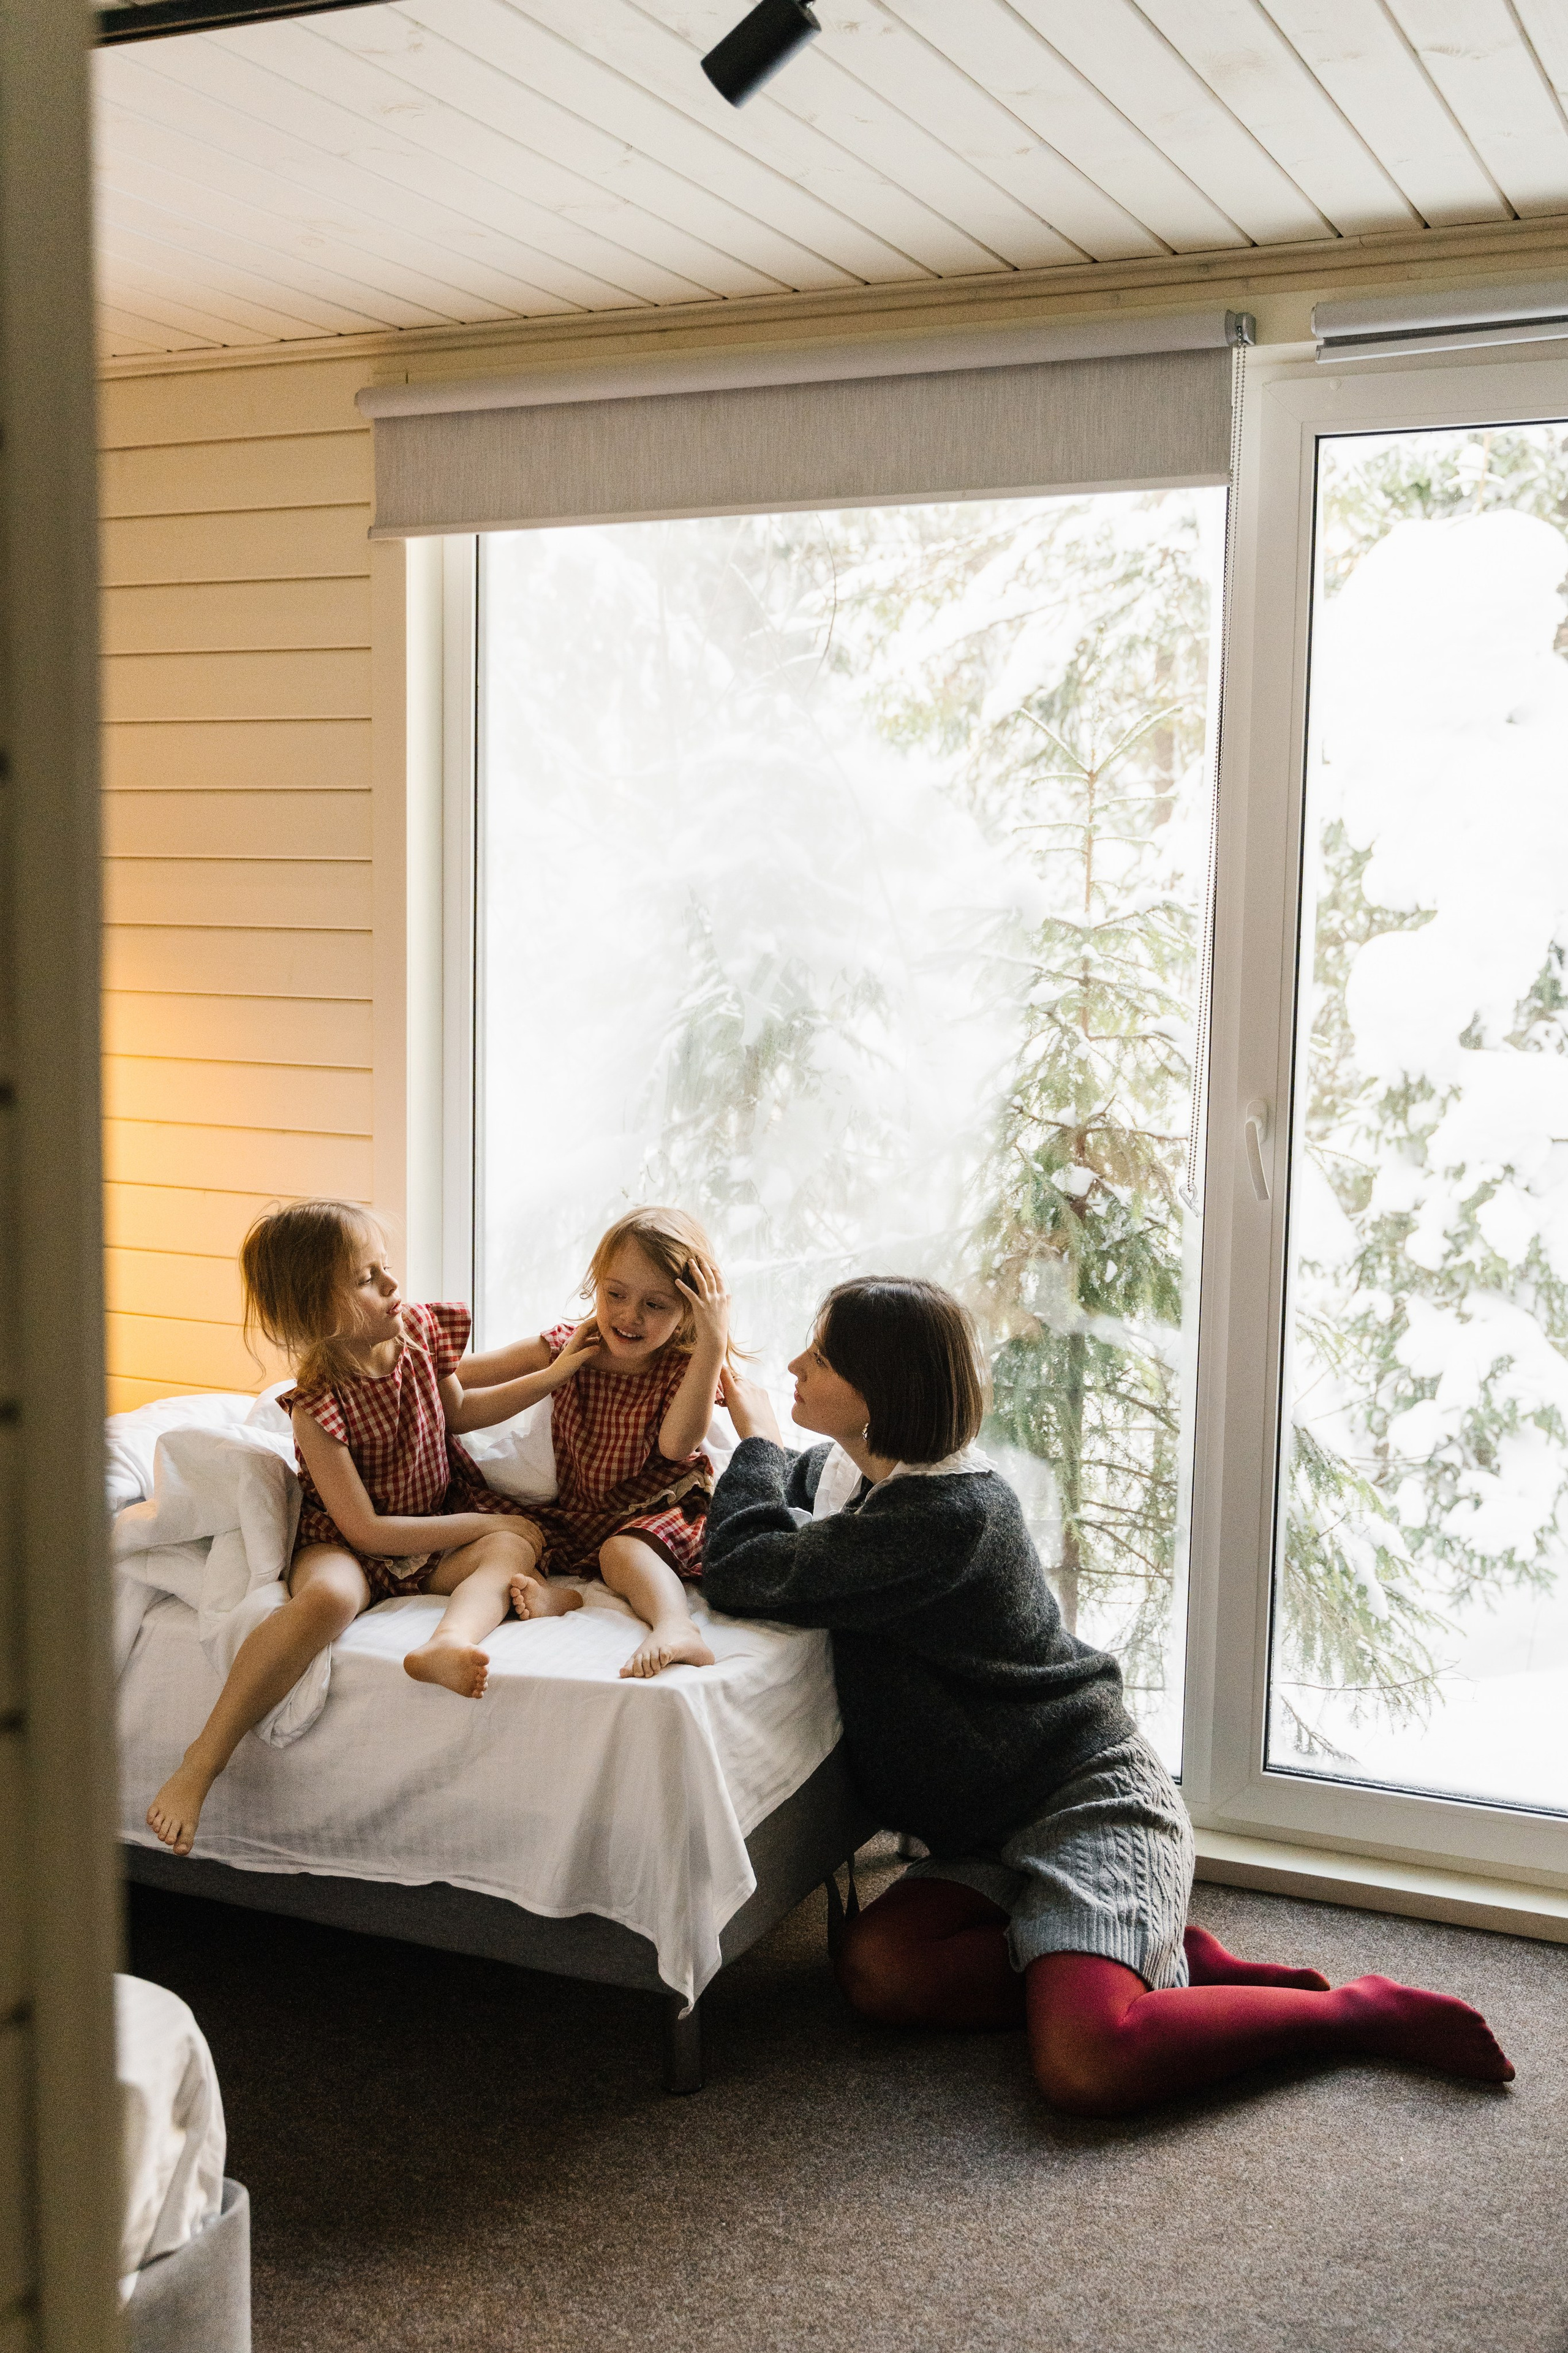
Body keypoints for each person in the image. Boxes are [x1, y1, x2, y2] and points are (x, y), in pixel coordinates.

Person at [703, 1274, 1515, 2118]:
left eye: (824, 1354)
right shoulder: (856, 1476)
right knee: (878, 1971)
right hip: (988, 1828)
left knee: (1090, 2064)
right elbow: (767, 1511)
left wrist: (754, 1437)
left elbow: (743, 1565)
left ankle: (1349, 2014)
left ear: (883, 1390)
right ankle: (1152, 1958)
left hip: (1089, 1801)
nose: (796, 1364)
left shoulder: (947, 1515)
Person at [146, 1200, 587, 1856]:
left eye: (385, 1268)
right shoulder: (317, 1407)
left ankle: (445, 1643)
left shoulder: (417, 1334)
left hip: (430, 1528)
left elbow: (459, 1412)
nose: (391, 1285)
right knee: (328, 1598)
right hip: (348, 1542)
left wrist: (550, 1376)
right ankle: (202, 1760)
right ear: (315, 1311)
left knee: (514, 1542)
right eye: (366, 1278)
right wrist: (477, 1518)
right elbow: (367, 1530)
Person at [503, 1205, 731, 1679]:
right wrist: (554, 1373)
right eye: (615, 1294)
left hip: (658, 1509)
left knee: (621, 1552)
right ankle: (558, 1597)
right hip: (581, 1513)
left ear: (688, 1309)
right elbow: (452, 1380)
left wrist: (713, 1338)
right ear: (597, 1284)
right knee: (510, 1534)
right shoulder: (570, 1346)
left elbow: (675, 1446)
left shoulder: (685, 1364)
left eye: (656, 1304)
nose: (629, 1316)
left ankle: (675, 1626)